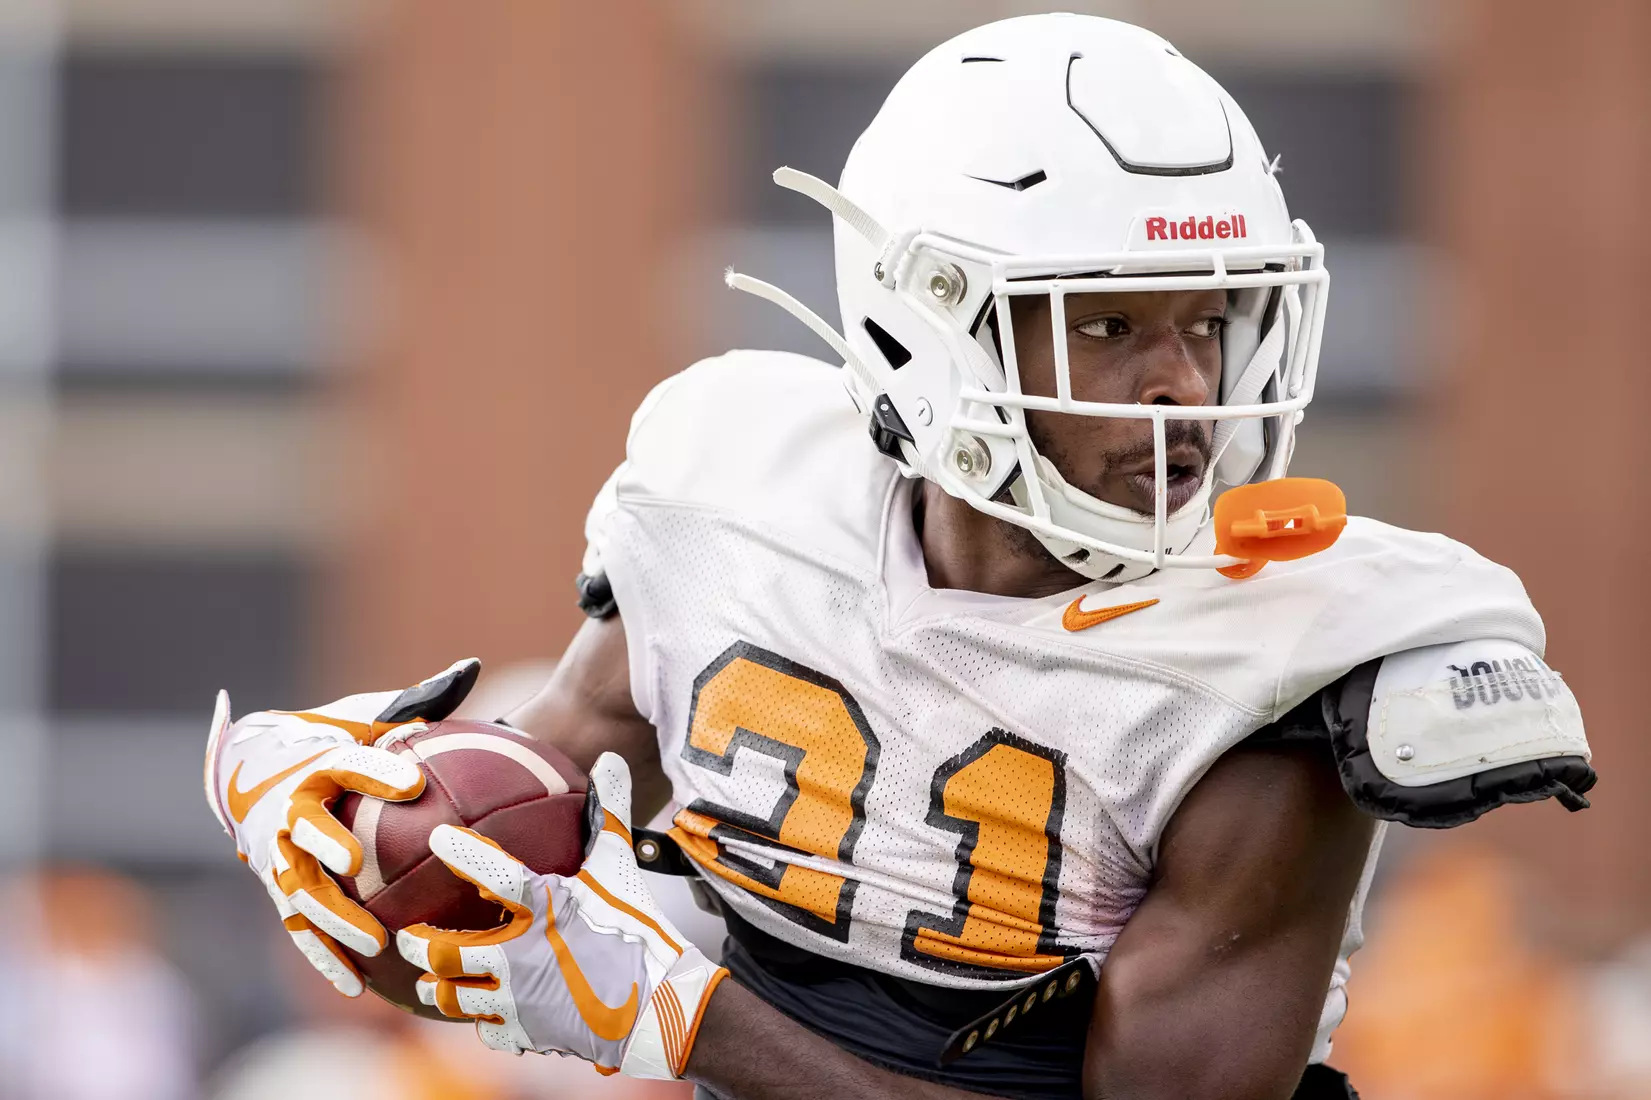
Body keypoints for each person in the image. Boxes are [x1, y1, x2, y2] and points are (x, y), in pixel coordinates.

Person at [200, 15, 1595, 1100]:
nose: (1184, 387)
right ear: (930, 328)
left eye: (1210, 318)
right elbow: (534, 817)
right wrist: (356, 826)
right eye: (1109, 328)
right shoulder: (739, 493)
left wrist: (673, 1012)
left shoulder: (1278, 665)